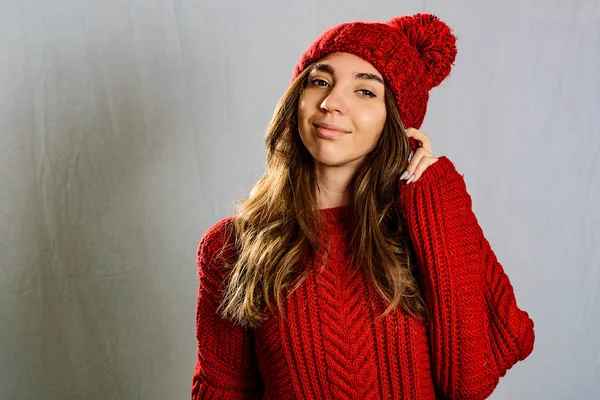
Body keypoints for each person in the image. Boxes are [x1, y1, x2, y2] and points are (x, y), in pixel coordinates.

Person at [191, 13, 535, 400]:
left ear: (396, 122)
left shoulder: (427, 224)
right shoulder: (232, 246)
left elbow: (469, 383)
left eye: (366, 91)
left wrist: (436, 188)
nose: (332, 102)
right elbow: (223, 390)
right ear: (296, 101)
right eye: (319, 81)